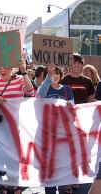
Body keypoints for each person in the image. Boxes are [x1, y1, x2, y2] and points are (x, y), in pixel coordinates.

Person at [0, 65, 34, 194]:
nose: (3, 70)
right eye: (1, 67)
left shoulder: (19, 79)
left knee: (13, 156)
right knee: (2, 156)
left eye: (6, 67)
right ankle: (5, 184)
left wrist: (24, 72)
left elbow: (30, 92)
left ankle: (15, 183)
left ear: (12, 68)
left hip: (15, 126)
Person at [60, 53, 95, 193]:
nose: (76, 65)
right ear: (70, 64)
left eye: (78, 63)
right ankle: (67, 183)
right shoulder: (63, 80)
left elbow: (91, 99)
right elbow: (58, 98)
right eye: (73, 63)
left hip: (82, 122)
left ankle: (75, 179)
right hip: (66, 122)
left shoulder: (87, 81)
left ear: (81, 64)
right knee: (67, 152)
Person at [37, 64, 74, 194]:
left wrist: (70, 106)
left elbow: (72, 110)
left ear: (61, 75)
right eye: (52, 73)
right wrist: (48, 76)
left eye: (57, 73)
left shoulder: (67, 89)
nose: (55, 75)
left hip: (63, 135)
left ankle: (64, 188)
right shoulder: (45, 88)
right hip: (47, 134)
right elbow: (39, 97)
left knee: (62, 166)